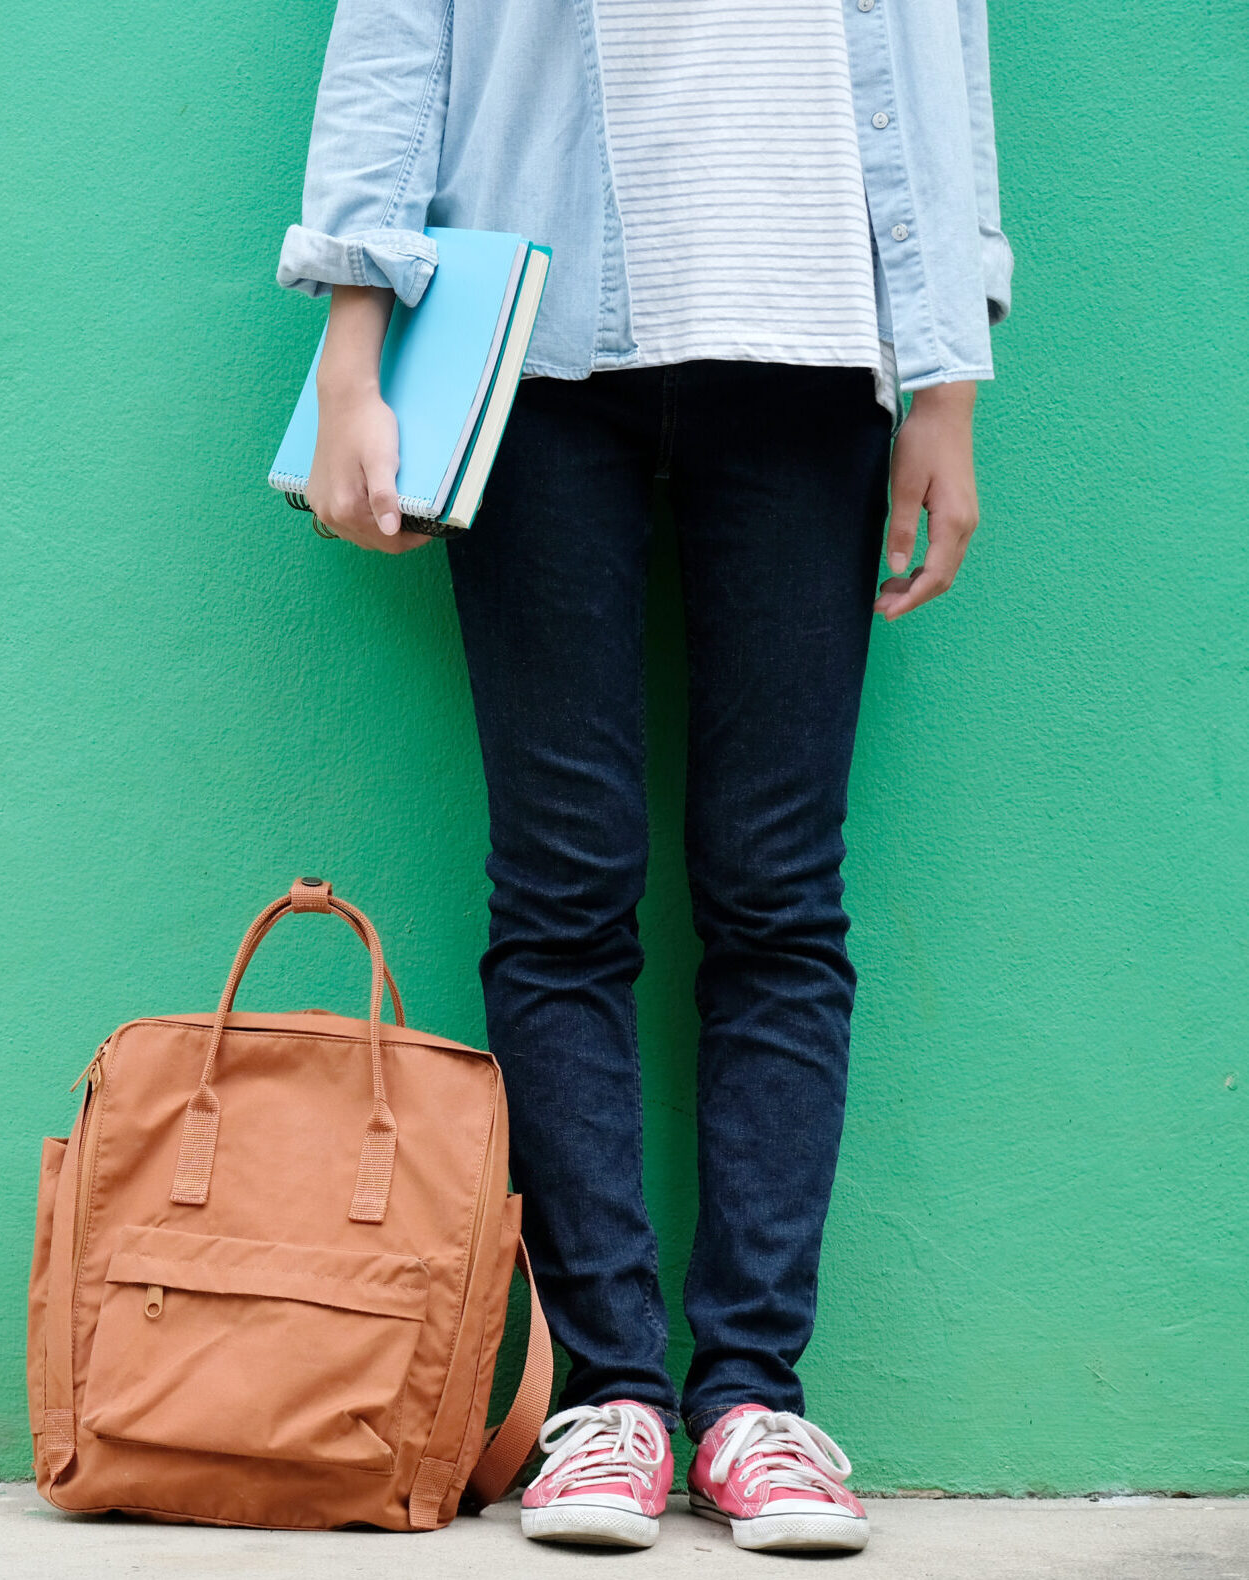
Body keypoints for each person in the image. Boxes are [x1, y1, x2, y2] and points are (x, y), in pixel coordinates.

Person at [281, 0, 1010, 1556]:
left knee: (777, 897)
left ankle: (752, 1398)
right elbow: (397, 34)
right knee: (559, 889)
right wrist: (352, 336)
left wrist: (947, 370)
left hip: (819, 353)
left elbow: (951, 53)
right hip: (534, 350)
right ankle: (606, 1399)